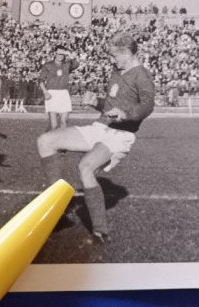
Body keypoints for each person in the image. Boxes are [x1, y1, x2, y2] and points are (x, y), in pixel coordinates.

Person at [36, 33, 155, 242]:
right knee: (45, 141)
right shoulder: (116, 71)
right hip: (100, 127)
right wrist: (97, 103)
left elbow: (147, 105)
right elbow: (109, 107)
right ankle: (58, 211)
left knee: (86, 167)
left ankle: (100, 230)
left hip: (120, 135)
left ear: (127, 54)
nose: (112, 60)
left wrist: (127, 114)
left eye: (114, 56)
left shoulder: (142, 75)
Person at [38, 45, 79, 129]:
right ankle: (51, 140)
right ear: (54, 53)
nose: (61, 56)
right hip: (51, 94)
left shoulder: (66, 65)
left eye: (62, 54)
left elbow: (76, 64)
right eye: (59, 54)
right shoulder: (48, 65)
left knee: (64, 122)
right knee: (54, 125)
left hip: (64, 94)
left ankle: (62, 141)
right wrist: (45, 92)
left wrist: (68, 53)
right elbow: (41, 80)